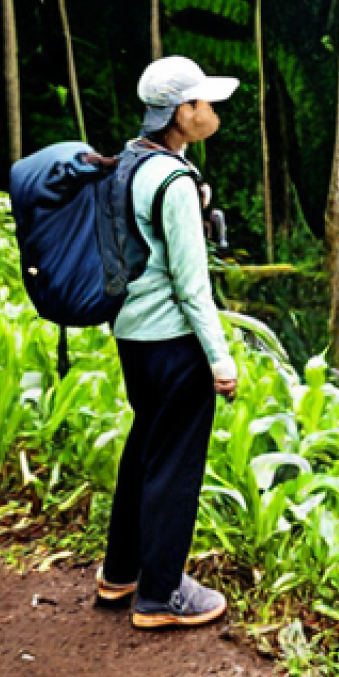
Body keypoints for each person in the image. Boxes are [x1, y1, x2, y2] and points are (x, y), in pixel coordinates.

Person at [96, 55, 239, 629]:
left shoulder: (128, 163)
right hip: (176, 343)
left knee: (145, 451)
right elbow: (192, 284)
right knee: (176, 466)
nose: (213, 110)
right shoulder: (174, 182)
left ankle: (120, 573)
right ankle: (160, 594)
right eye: (205, 102)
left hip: (132, 338)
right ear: (183, 113)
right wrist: (220, 358)